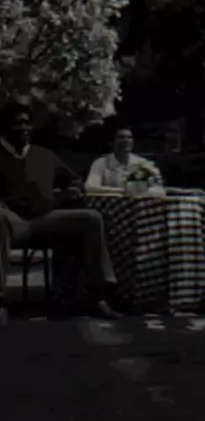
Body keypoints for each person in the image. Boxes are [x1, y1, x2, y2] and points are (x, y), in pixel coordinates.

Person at [0, 102, 121, 324]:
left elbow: (73, 180)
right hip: (11, 221)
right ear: (4, 127)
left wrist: (73, 190)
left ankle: (96, 295)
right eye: (17, 123)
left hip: (45, 218)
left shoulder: (44, 155)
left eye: (27, 123)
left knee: (91, 219)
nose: (24, 128)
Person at [85, 126, 165, 196]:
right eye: (121, 137)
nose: (126, 140)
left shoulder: (143, 163)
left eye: (129, 137)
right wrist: (123, 191)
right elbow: (90, 187)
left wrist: (141, 191)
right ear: (111, 142)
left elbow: (159, 189)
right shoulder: (100, 163)